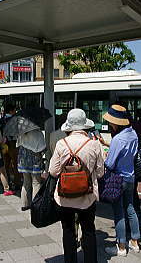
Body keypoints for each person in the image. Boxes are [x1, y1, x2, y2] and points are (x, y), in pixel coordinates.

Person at [49, 109, 104, 263]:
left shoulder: (61, 144)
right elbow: (100, 173)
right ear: (85, 126)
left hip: (65, 197)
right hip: (87, 197)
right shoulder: (94, 144)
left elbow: (53, 171)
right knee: (88, 231)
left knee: (68, 230)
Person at [102, 104, 141, 256]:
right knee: (131, 209)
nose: (109, 123)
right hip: (131, 177)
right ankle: (135, 242)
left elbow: (110, 163)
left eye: (111, 121)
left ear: (116, 122)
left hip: (118, 179)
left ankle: (121, 246)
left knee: (119, 212)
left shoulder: (118, 139)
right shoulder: (133, 134)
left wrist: (106, 157)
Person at [17, 126, 46, 211]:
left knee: (26, 183)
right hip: (35, 161)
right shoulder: (38, 133)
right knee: (36, 183)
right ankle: (35, 206)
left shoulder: (22, 133)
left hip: (23, 160)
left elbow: (18, 144)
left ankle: (25, 204)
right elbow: (43, 148)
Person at [0, 103, 21, 190]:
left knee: (6, 165)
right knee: (15, 165)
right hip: (13, 144)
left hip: (4, 145)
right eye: (14, 110)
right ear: (11, 111)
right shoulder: (15, 120)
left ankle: (6, 182)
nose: (15, 111)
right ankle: (17, 184)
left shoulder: (1, 120)